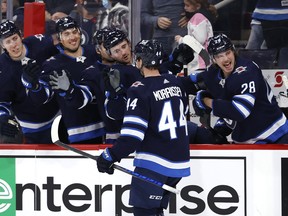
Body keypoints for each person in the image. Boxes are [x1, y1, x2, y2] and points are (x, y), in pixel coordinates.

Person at [96, 39, 191, 216]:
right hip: (178, 164)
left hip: (154, 163)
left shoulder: (139, 90)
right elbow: (184, 112)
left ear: (139, 61)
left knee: (143, 212)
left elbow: (132, 137)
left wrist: (110, 156)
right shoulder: (175, 83)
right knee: (155, 211)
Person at [191, 33, 288, 144]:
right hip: (247, 140)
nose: (226, 59)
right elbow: (190, 83)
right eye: (219, 56)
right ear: (213, 59)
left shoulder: (246, 71)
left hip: (275, 135)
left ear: (233, 51)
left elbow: (240, 111)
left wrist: (206, 101)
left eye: (228, 53)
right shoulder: (214, 74)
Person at [23, 16, 105, 144]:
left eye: (74, 32)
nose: (72, 37)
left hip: (108, 128)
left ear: (80, 32)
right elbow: (43, 97)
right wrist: (34, 86)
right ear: (59, 38)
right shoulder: (52, 65)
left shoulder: (95, 52)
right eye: (66, 34)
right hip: (80, 134)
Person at [0, 20, 60, 143]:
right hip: (29, 128)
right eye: (8, 42)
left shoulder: (40, 44)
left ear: (21, 35)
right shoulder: (2, 67)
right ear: (2, 45)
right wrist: (3, 118)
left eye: (14, 38)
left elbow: (61, 58)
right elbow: (2, 102)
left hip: (58, 117)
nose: (13, 45)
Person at [175, 0, 216, 71]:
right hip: (200, 62)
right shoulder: (197, 17)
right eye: (184, 5)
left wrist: (182, 40)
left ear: (197, 6)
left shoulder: (198, 17)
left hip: (200, 63)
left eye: (187, 5)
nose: (185, 8)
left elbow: (199, 40)